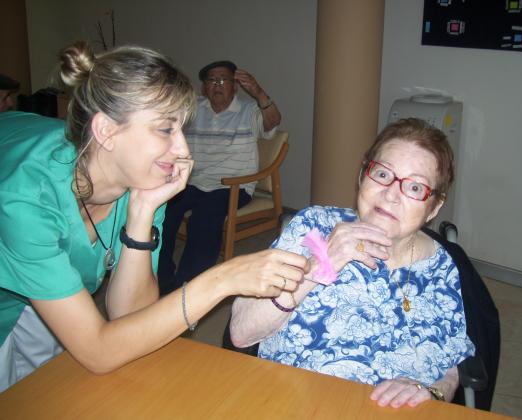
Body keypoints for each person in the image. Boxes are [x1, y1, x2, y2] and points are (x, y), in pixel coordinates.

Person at [0, 42, 307, 392]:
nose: (183, 151)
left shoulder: (143, 179)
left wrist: (143, 211)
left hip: (40, 289)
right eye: (165, 129)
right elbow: (99, 350)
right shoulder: (26, 200)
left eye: (182, 130)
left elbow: (129, 317)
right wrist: (223, 278)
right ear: (106, 131)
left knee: (46, 385)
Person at [230, 118, 475, 408]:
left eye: (414, 188)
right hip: (292, 404)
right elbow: (241, 332)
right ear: (362, 175)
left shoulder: (442, 266)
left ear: (434, 206)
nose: (391, 194)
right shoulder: (314, 226)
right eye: (383, 174)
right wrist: (319, 265)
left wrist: (433, 391)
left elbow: (451, 363)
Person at [158, 60, 281, 294]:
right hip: (193, 182)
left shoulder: (249, 111)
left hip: (232, 187)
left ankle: (189, 288)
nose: (217, 84)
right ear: (204, 87)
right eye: (212, 80)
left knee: (203, 218)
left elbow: (273, 120)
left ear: (235, 86)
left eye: (224, 79)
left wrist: (258, 92)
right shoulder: (194, 109)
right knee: (164, 212)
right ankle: (161, 279)